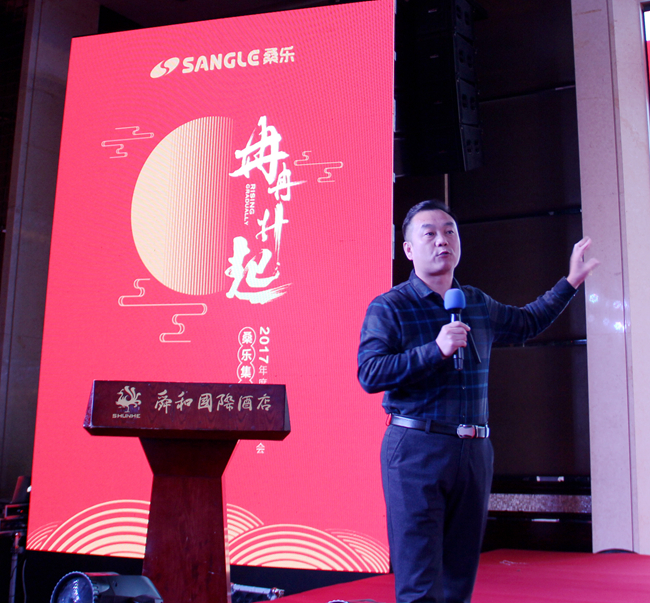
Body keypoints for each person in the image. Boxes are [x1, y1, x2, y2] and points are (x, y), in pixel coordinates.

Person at [357, 200, 599, 603]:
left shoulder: (474, 302)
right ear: (409, 249)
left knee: (459, 578)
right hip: (416, 448)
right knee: (419, 580)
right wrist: (435, 350)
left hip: (474, 451)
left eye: (449, 231)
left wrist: (570, 282)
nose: (442, 240)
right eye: (429, 233)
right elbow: (370, 373)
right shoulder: (390, 306)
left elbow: (527, 322)